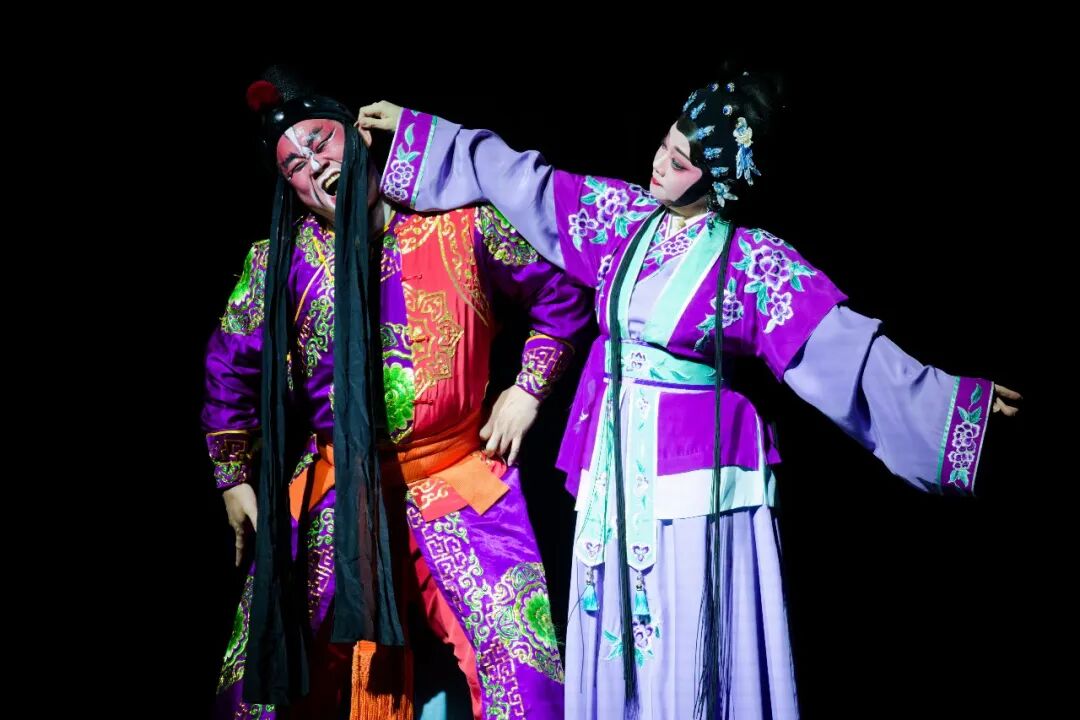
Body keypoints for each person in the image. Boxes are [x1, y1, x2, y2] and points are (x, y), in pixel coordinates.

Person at [356, 73, 1022, 719]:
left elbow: (842, 349)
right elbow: (524, 180)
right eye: (664, 145)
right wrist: (423, 132)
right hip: (615, 468)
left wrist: (950, 405)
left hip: (694, 485)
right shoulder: (621, 218)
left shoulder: (753, 263)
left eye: (679, 162)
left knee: (685, 634)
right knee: (613, 627)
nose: (659, 163)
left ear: (718, 180)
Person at [204, 67, 592, 719]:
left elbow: (563, 291)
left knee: (528, 683)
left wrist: (528, 389)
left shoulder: (459, 223)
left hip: (457, 478)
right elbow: (228, 367)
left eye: (320, 143)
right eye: (294, 165)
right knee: (261, 683)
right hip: (335, 489)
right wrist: (233, 478)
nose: (314, 165)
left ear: (358, 135)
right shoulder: (279, 263)